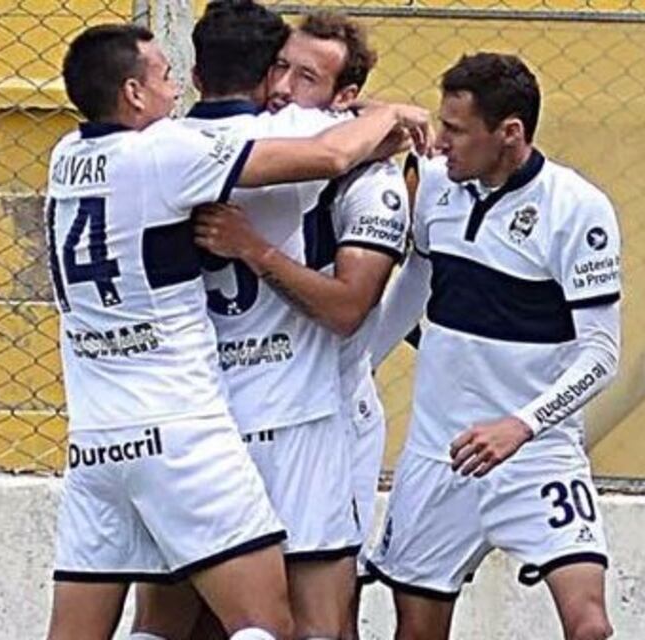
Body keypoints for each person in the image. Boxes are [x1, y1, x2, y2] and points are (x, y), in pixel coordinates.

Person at [44, 22, 430, 640]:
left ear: (202, 74)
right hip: (194, 430)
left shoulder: (67, 155)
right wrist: (390, 113)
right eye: (161, 78)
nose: (175, 92)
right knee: (272, 623)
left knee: (143, 625)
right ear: (134, 94)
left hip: (95, 438)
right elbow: (335, 153)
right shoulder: (177, 151)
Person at [367, 53, 621, 640]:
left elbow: (602, 354)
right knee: (417, 629)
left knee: (590, 626)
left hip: (537, 453)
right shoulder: (434, 185)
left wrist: (521, 426)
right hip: (440, 453)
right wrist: (357, 365)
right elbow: (417, 285)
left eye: (455, 130)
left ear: (509, 133)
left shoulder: (576, 208)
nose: (441, 142)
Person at [194, 12, 409, 638]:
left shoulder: (369, 176)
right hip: (218, 413)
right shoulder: (225, 149)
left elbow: (348, 309)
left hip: (322, 417)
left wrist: (255, 250)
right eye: (278, 68)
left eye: (306, 76)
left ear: (345, 100)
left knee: (326, 617)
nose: (283, 87)